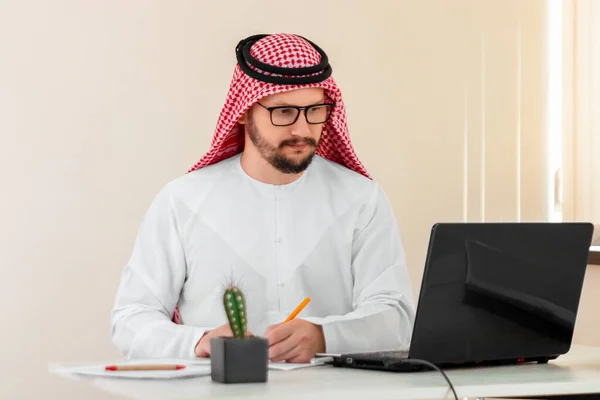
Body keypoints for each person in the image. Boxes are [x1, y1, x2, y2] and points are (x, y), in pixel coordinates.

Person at [110, 33, 416, 363]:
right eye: (284, 112)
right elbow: (130, 319)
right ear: (242, 111)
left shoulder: (362, 198)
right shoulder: (182, 200)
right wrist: (198, 342)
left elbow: (395, 318)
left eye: (314, 110)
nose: (302, 130)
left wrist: (324, 336)